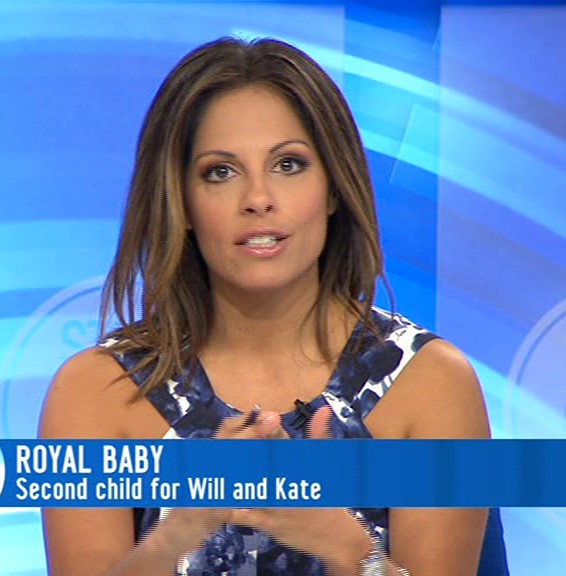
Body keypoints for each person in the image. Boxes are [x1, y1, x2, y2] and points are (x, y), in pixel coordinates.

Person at [40, 36, 508, 576]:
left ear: (334, 189)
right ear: (181, 201)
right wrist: (183, 530)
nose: (258, 198)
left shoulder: (428, 382)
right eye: (220, 171)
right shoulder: (98, 392)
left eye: (288, 164)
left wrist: (343, 547)